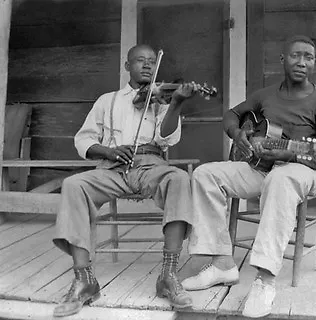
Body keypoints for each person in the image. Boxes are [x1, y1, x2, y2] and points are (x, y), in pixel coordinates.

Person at [182, 35, 316, 318]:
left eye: (309, 57)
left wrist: (290, 155)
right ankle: (222, 264)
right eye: (296, 56)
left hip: (307, 171)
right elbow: (232, 114)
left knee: (280, 180)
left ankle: (265, 281)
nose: (302, 62)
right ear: (283, 59)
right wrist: (238, 133)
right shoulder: (265, 95)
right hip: (262, 168)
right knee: (205, 174)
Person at [52, 44, 200, 317]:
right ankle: (84, 280)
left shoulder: (163, 101)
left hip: (150, 165)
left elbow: (167, 138)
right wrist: (107, 151)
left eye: (152, 62)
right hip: (112, 168)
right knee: (73, 184)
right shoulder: (107, 100)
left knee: (179, 179)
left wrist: (176, 102)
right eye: (140, 60)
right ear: (127, 66)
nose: (147, 65)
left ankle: (168, 275)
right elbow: (83, 139)